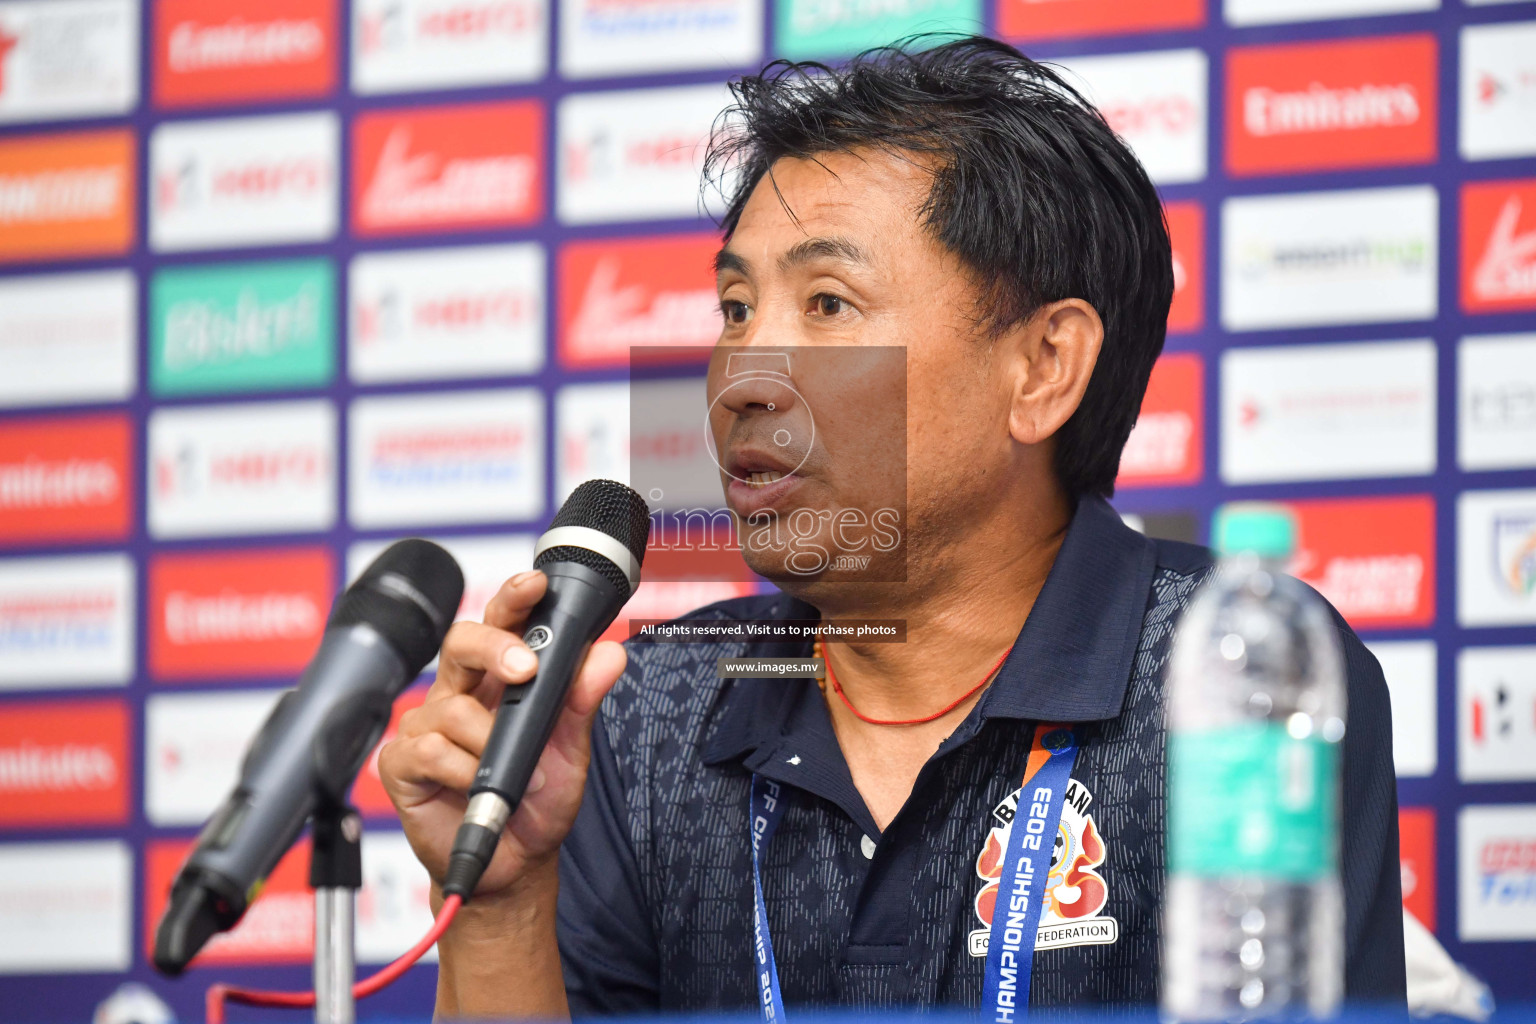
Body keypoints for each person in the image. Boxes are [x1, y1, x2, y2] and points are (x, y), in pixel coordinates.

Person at [378, 35, 1407, 1017]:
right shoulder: (647, 713)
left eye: (828, 305)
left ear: (1043, 368)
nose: (742, 375)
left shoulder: (1230, 676)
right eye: (736, 309)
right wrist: (505, 902)